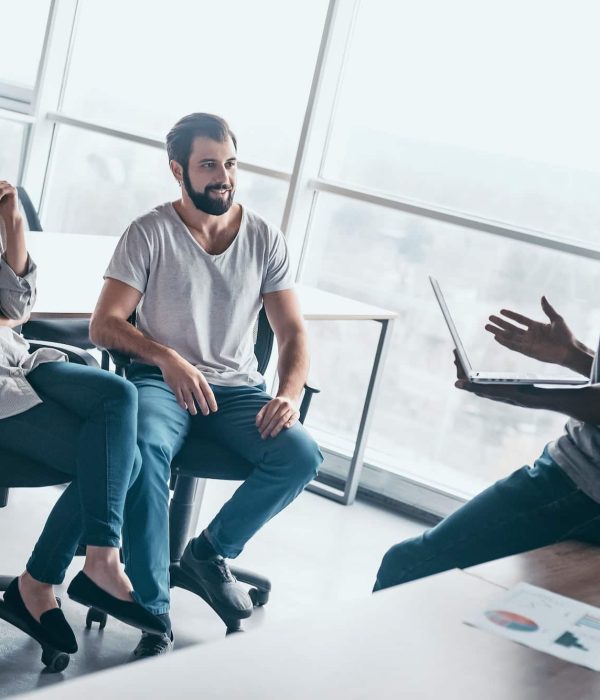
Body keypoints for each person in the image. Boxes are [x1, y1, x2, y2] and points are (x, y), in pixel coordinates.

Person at [90, 113, 323, 657]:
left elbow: (292, 332)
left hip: (237, 391)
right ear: (179, 171)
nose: (224, 176)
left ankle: (210, 552)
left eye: (231, 164)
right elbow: (105, 324)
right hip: (161, 383)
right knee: (144, 451)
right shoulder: (149, 233)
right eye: (209, 165)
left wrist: (287, 393)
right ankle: (153, 607)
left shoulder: (265, 238)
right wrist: (167, 358)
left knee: (302, 454)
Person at [0, 181, 166, 655]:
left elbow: (15, 309)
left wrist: (13, 221)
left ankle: (97, 561)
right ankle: (42, 581)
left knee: (117, 394)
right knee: (124, 462)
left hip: (20, 363)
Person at [374, 293, 600, 592]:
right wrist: (572, 354)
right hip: (576, 476)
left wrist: (525, 395)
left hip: (583, 489)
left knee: (407, 569)